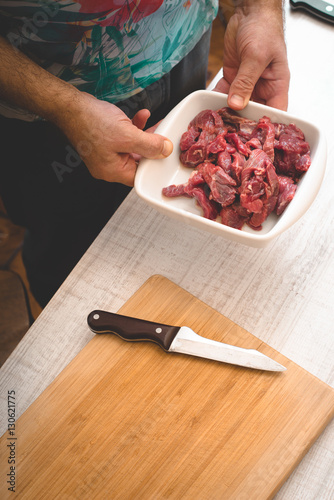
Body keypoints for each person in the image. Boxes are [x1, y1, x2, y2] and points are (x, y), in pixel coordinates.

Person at [0, 0, 290, 308]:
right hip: (41, 99)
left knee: (172, 232)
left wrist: (257, 10)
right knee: (68, 255)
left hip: (181, 40)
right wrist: (63, 106)